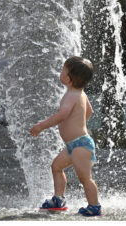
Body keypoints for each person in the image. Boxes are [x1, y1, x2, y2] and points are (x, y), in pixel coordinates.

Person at [30, 56, 102, 217]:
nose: (61, 72)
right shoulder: (79, 93)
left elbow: (62, 115)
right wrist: (76, 123)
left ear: (69, 78)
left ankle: (94, 206)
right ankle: (58, 199)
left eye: (64, 70)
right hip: (73, 144)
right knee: (56, 167)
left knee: (85, 178)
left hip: (81, 145)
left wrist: (41, 125)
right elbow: (89, 111)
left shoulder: (72, 96)